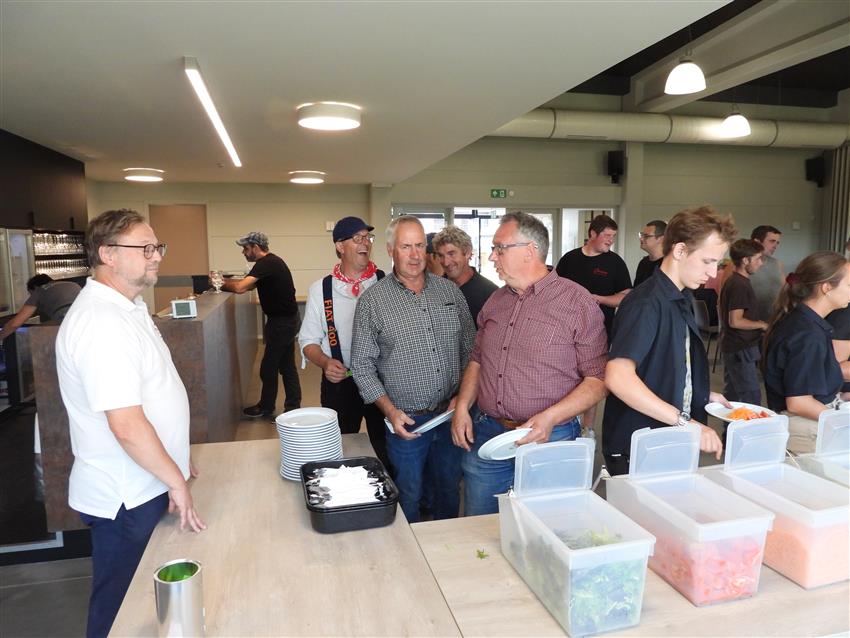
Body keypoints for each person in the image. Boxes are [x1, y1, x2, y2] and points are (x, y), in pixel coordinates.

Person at [55, 209, 205, 638]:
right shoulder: (101, 322)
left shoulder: (128, 308)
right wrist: (174, 479)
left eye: (157, 247)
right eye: (145, 248)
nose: (157, 256)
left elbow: (151, 396)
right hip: (125, 495)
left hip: (145, 482)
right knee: (120, 606)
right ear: (108, 254)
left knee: (142, 601)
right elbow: (125, 424)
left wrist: (175, 455)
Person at [451, 212, 607, 515]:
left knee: (544, 526)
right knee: (479, 527)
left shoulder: (577, 303)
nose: (492, 257)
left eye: (499, 248)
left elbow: (598, 379)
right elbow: (478, 360)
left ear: (530, 251)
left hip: (550, 438)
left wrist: (550, 418)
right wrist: (462, 408)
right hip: (489, 433)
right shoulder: (495, 301)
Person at [351, 215, 475, 523]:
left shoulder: (450, 293)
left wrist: (462, 398)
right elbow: (362, 366)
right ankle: (412, 549)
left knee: (448, 490)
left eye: (420, 246)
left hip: (450, 416)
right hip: (406, 423)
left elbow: (471, 350)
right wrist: (390, 411)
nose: (415, 254)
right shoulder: (373, 302)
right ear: (391, 250)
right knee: (410, 493)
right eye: (406, 247)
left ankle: (444, 547)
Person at [602, 206, 737, 476]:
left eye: (717, 263)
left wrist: (699, 392)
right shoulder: (646, 303)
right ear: (679, 251)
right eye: (707, 261)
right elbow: (618, 377)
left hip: (666, 439)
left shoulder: (680, 296)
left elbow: (664, 363)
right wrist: (685, 422)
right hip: (641, 444)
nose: (713, 273)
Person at [298, 216, 390, 470]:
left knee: (385, 448)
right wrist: (325, 362)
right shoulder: (321, 289)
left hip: (382, 381)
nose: (365, 243)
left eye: (368, 238)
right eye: (357, 238)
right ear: (340, 246)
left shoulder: (386, 283)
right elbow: (308, 340)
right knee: (339, 449)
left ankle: (388, 490)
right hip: (340, 383)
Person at [763, 251, 850, 454]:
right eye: (849, 285)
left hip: (807, 423)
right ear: (826, 287)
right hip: (805, 430)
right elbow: (799, 402)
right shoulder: (808, 334)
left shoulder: (804, 322)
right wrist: (840, 422)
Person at [220, 231, 301, 418]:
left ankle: (267, 407)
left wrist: (220, 284)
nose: (243, 252)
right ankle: (292, 407)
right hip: (286, 320)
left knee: (269, 367)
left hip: (282, 323)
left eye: (245, 248)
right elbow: (247, 285)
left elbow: (240, 288)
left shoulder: (266, 263)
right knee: (287, 366)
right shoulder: (270, 263)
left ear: (255, 247)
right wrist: (225, 281)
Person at [556, 214, 632, 340]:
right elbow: (555, 290)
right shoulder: (569, 258)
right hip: (566, 329)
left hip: (600, 332)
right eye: (607, 235)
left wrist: (598, 299)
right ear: (593, 233)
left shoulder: (616, 262)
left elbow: (626, 297)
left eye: (613, 236)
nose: (611, 240)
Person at [719, 239, 768, 408]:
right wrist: (762, 325)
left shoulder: (738, 281)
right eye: (758, 259)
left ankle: (728, 426)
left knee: (733, 396)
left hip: (737, 346)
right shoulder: (739, 285)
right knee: (750, 397)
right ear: (746, 260)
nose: (761, 263)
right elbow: (735, 321)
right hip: (740, 348)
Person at [432, 225, 498, 325]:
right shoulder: (432, 289)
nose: (446, 262)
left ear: (467, 252)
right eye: (441, 255)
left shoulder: (490, 294)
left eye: (451, 254)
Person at [0, 274, 81, 341]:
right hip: (85, 322)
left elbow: (14, 324)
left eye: (30, 294)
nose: (30, 297)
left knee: (32, 334)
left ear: (35, 288)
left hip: (67, 322)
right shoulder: (72, 284)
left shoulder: (39, 291)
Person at [749, 225, 785, 322]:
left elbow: (785, 292)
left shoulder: (778, 264)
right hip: (748, 324)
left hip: (773, 322)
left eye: (777, 242)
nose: (775, 246)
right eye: (772, 241)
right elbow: (723, 299)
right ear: (757, 242)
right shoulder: (738, 265)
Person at [634, 219, 667, 288]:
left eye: (646, 236)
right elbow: (637, 290)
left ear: (661, 239)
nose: (641, 239)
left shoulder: (668, 264)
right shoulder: (643, 263)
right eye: (641, 235)